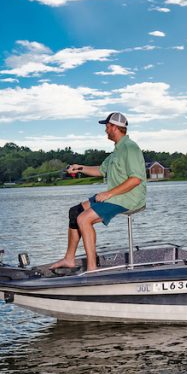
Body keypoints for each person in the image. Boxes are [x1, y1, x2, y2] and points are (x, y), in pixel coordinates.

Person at [50, 112, 147, 271]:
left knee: (83, 219)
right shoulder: (117, 151)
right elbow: (101, 170)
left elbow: (136, 179)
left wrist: (109, 194)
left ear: (114, 127)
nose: (105, 130)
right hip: (117, 196)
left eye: (107, 126)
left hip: (129, 198)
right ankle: (69, 259)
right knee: (75, 212)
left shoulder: (130, 148)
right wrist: (79, 168)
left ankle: (92, 269)